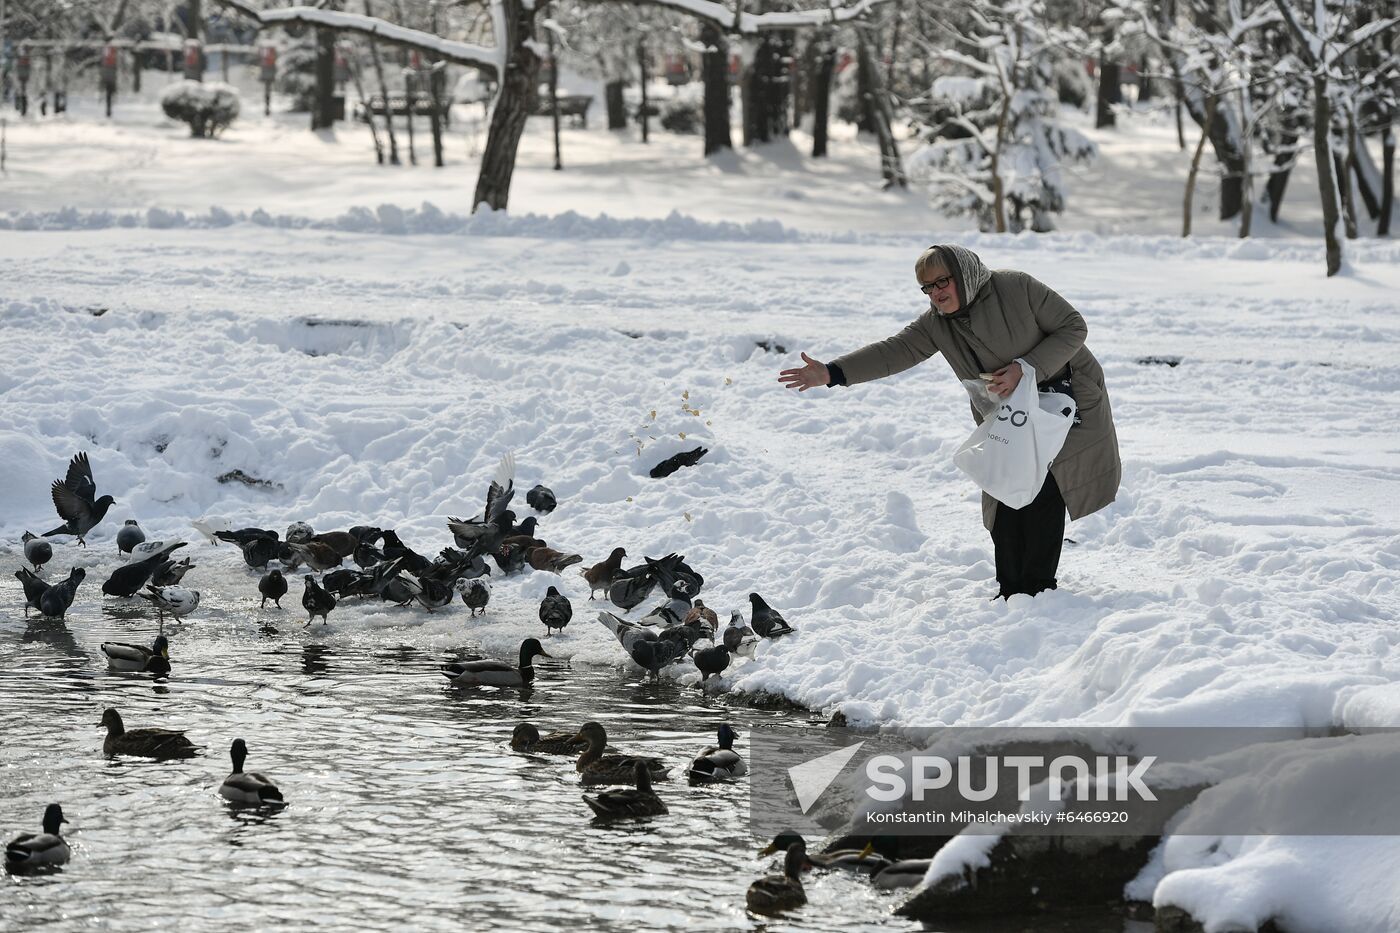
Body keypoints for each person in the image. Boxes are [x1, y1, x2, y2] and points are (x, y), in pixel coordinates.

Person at [778, 244, 1120, 599]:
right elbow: (895, 351)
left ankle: (1036, 590)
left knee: (1045, 488)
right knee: (1005, 488)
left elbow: (1072, 326)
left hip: (1064, 402)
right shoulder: (936, 325)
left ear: (964, 274)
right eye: (928, 287)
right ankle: (1010, 589)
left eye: (943, 281)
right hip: (1010, 415)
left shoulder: (1016, 288)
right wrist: (833, 372)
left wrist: (1025, 367)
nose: (936, 293)